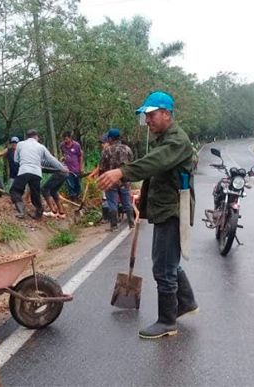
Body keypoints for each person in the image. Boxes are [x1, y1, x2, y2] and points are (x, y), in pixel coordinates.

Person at [98, 91, 198, 339]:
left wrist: (121, 172)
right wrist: (144, 196)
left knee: (163, 269)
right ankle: (186, 303)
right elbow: (158, 172)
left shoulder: (176, 141)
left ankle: (167, 322)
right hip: (164, 205)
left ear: (166, 113)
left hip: (173, 209)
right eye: (146, 116)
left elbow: (154, 164)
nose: (148, 120)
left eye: (151, 115)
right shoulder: (164, 139)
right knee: (169, 263)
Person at [11, 129, 66, 219]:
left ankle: (21, 212)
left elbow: (15, 160)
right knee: (35, 194)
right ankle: (39, 213)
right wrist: (62, 168)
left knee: (15, 191)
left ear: (26, 137)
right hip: (36, 173)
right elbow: (51, 159)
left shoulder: (20, 144)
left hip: (24, 171)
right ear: (36, 136)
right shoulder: (41, 146)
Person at [99, 128, 135, 230]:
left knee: (112, 203)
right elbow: (132, 164)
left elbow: (101, 167)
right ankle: (131, 224)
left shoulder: (106, 151)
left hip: (111, 181)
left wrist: (102, 180)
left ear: (110, 138)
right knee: (127, 202)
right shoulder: (127, 149)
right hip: (125, 180)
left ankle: (114, 226)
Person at [60, 131, 83, 201]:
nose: (65, 140)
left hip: (76, 168)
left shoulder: (76, 145)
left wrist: (81, 167)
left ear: (70, 138)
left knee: (77, 183)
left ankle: (78, 196)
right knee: (70, 184)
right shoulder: (62, 145)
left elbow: (80, 156)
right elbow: (62, 154)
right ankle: (72, 197)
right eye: (64, 139)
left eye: (67, 139)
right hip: (67, 168)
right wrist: (62, 158)